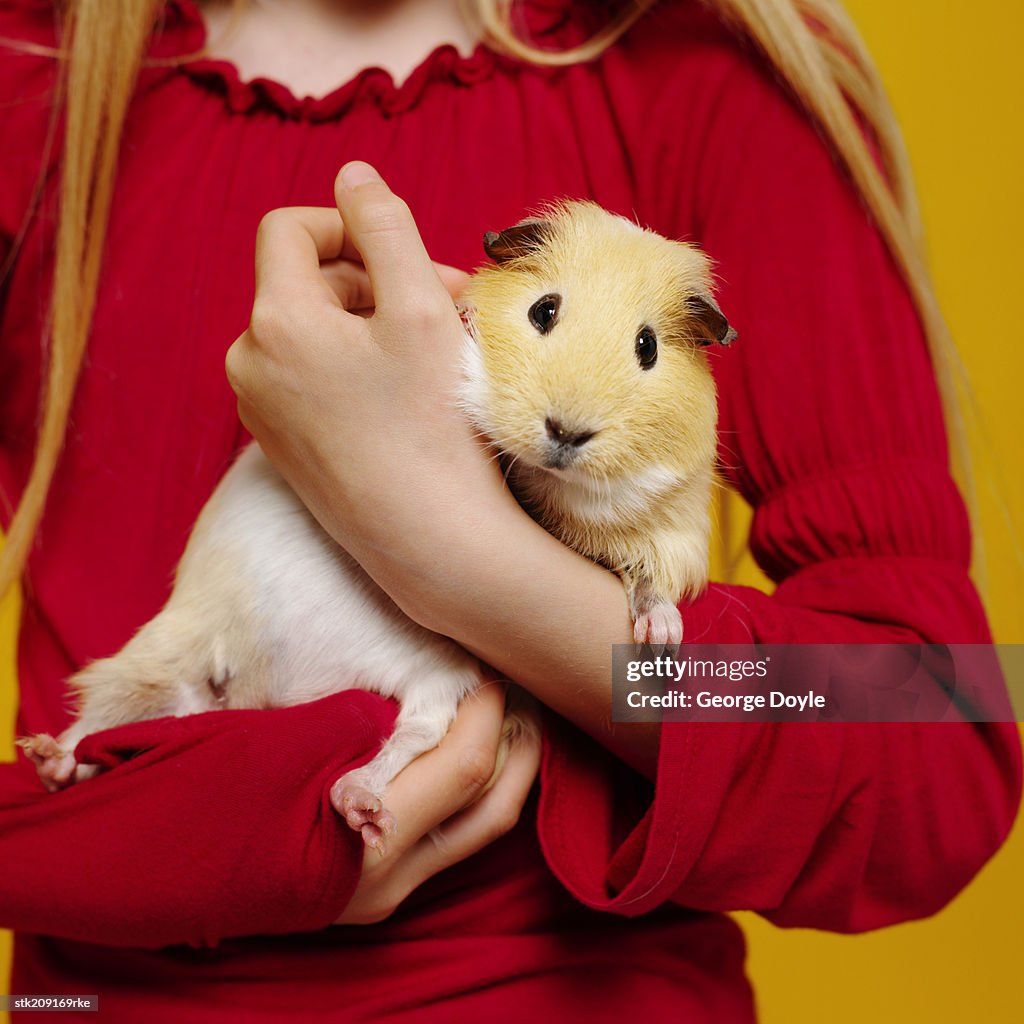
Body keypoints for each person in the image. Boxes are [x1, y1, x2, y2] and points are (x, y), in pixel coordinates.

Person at [0, 0, 1019, 1020]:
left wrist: (470, 563)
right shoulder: (29, 67)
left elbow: (931, 723)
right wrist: (191, 847)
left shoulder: (710, 64)